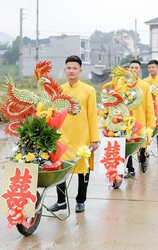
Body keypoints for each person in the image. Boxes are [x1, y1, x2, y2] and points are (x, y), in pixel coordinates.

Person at [49, 55, 100, 213]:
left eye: (74, 68)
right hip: (63, 136)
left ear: (80, 70)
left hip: (82, 136)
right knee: (60, 168)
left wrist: (94, 139)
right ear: (65, 70)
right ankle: (61, 201)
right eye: (69, 68)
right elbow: (52, 113)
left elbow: (92, 115)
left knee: (83, 169)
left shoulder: (88, 90)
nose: (71, 71)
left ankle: (80, 200)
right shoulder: (59, 90)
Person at [124, 60, 156, 178]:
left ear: (140, 70)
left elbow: (149, 105)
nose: (134, 69)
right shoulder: (123, 85)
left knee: (141, 143)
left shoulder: (144, 86)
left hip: (140, 119)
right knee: (127, 144)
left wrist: (151, 123)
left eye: (136, 68)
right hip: (126, 120)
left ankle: (142, 160)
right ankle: (130, 168)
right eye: (131, 67)